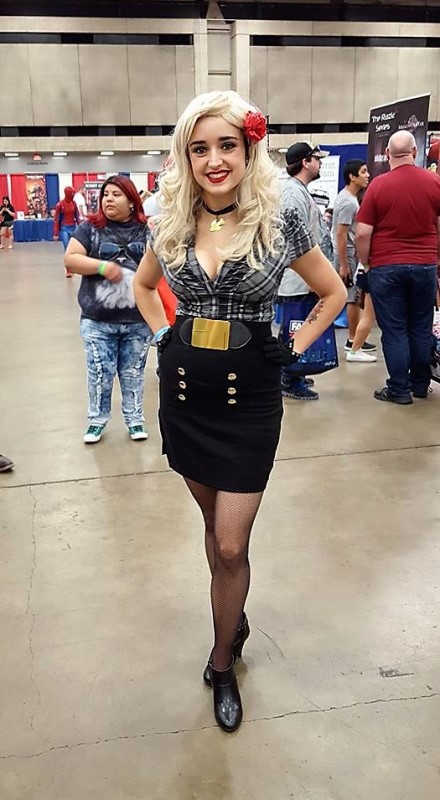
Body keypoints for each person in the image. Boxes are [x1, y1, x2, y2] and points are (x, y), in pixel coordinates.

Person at [133, 90, 346, 733]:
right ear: (186, 157)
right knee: (213, 528)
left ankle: (222, 660)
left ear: (250, 149)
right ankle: (234, 612)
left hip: (249, 399)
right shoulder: (170, 220)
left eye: (227, 145)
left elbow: (333, 292)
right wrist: (162, 334)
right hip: (185, 396)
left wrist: (295, 347)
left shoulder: (279, 220)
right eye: (200, 148)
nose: (214, 160)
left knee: (230, 542)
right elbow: (144, 286)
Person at [64, 175, 152, 442]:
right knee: (100, 373)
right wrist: (101, 266)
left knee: (133, 373)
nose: (108, 200)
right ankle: (96, 421)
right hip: (97, 320)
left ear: (131, 201)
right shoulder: (90, 228)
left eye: (116, 194)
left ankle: (135, 419)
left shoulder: (147, 230)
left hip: (138, 320)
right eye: (105, 195)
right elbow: (71, 259)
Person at [356, 130, 440, 403]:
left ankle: (399, 389)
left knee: (394, 330)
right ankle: (420, 385)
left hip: (386, 266)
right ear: (415, 152)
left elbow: (363, 233)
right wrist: (435, 258)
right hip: (425, 265)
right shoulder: (434, 182)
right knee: (420, 327)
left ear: (387, 154)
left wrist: (366, 263)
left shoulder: (378, 186)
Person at [277, 141, 333, 400]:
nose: (320, 164)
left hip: (304, 277)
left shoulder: (299, 191)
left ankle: (293, 371)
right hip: (300, 278)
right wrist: (311, 276)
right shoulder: (292, 194)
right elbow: (294, 240)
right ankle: (289, 376)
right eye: (316, 159)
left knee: (296, 325)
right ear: (305, 162)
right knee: (296, 327)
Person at [332, 160, 377, 362]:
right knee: (351, 297)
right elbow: (341, 234)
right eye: (363, 172)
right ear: (352, 176)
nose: (367, 176)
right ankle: (352, 340)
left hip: (351, 254)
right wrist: (344, 264)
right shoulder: (348, 202)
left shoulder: (351, 199)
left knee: (355, 296)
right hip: (347, 255)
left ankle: (355, 337)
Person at [54, 187, 80, 277]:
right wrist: (56, 233)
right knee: (67, 249)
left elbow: (77, 216)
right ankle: (68, 270)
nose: (72, 196)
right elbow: (56, 219)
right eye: (71, 194)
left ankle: (72, 268)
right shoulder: (60, 205)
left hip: (73, 227)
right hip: (64, 228)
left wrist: (81, 228)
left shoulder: (74, 203)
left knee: (73, 250)